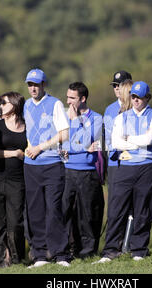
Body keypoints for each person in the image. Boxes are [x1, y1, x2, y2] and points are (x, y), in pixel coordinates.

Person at [94, 81, 152, 263]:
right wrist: (138, 142)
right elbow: (116, 143)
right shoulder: (121, 118)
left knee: (143, 209)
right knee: (116, 210)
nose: (136, 100)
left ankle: (139, 249)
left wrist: (130, 139)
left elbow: (150, 138)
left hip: (146, 167)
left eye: (140, 97)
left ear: (147, 98)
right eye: (133, 96)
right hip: (124, 168)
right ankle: (110, 251)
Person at [23, 68, 71, 268]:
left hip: (51, 164)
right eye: (30, 85)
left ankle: (61, 254)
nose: (33, 88)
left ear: (44, 85)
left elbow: (64, 133)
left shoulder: (55, 104)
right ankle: (40, 255)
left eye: (36, 84)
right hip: (31, 166)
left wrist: (39, 147)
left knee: (53, 209)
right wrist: (28, 147)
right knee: (35, 211)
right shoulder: (26, 105)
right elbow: (26, 130)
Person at [62, 82, 104, 259]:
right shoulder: (63, 117)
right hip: (66, 171)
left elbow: (89, 140)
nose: (68, 101)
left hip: (87, 172)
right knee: (64, 212)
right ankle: (64, 250)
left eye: (72, 98)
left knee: (87, 213)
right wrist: (80, 146)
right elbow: (61, 145)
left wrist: (76, 121)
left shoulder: (96, 118)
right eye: (67, 97)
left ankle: (87, 252)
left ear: (83, 99)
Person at [0, 92, 27, 267]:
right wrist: (15, 153)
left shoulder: (27, 126)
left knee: (16, 222)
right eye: (0, 102)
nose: (1, 105)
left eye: (4, 102)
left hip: (18, 180)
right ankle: (2, 259)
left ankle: (17, 259)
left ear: (15, 104)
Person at [103, 70, 133, 223]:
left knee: (134, 205)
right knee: (116, 205)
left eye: (119, 85)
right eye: (114, 85)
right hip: (115, 162)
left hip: (134, 161)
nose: (116, 88)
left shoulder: (137, 106)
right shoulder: (109, 110)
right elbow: (109, 140)